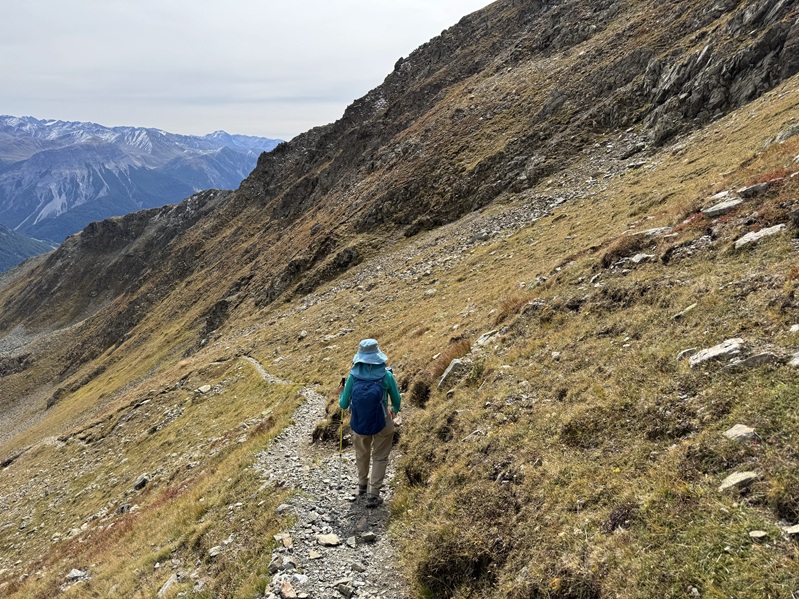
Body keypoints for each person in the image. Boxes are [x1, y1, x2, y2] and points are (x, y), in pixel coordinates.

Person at [338, 338, 401, 508]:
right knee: (380, 456)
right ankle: (373, 495)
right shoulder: (386, 375)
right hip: (383, 422)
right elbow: (396, 400)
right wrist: (394, 411)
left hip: (360, 422)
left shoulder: (353, 376)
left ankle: (362, 485)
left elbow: (343, 404)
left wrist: (341, 393)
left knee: (362, 453)